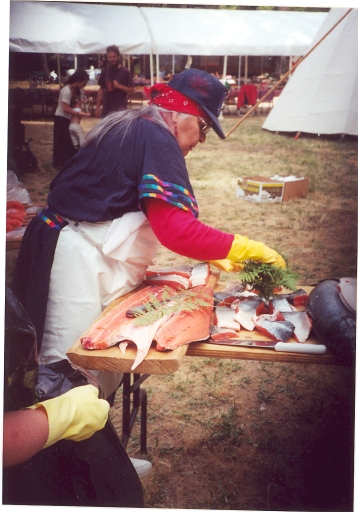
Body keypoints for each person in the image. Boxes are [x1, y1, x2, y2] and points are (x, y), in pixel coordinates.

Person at [12, 67, 285, 405]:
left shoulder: (137, 125)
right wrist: (246, 247)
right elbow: (175, 231)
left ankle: (96, 454)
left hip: (73, 245)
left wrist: (213, 250)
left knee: (89, 372)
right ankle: (70, 455)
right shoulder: (157, 136)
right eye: (202, 127)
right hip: (70, 253)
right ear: (180, 112)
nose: (201, 140)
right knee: (69, 375)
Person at [53, 69, 90, 169]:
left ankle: (68, 162)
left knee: (69, 142)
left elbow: (73, 103)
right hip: (61, 118)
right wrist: (78, 114)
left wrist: (80, 102)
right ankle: (59, 163)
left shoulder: (75, 90)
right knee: (62, 142)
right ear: (78, 80)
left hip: (68, 118)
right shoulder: (66, 91)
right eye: (84, 83)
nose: (85, 85)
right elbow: (66, 108)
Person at [95, 44, 135, 118]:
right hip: (106, 108)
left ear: (118, 56)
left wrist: (119, 86)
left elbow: (132, 91)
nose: (112, 59)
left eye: (114, 57)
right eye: (110, 57)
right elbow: (101, 89)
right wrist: (97, 107)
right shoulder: (105, 71)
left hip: (120, 109)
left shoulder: (125, 72)